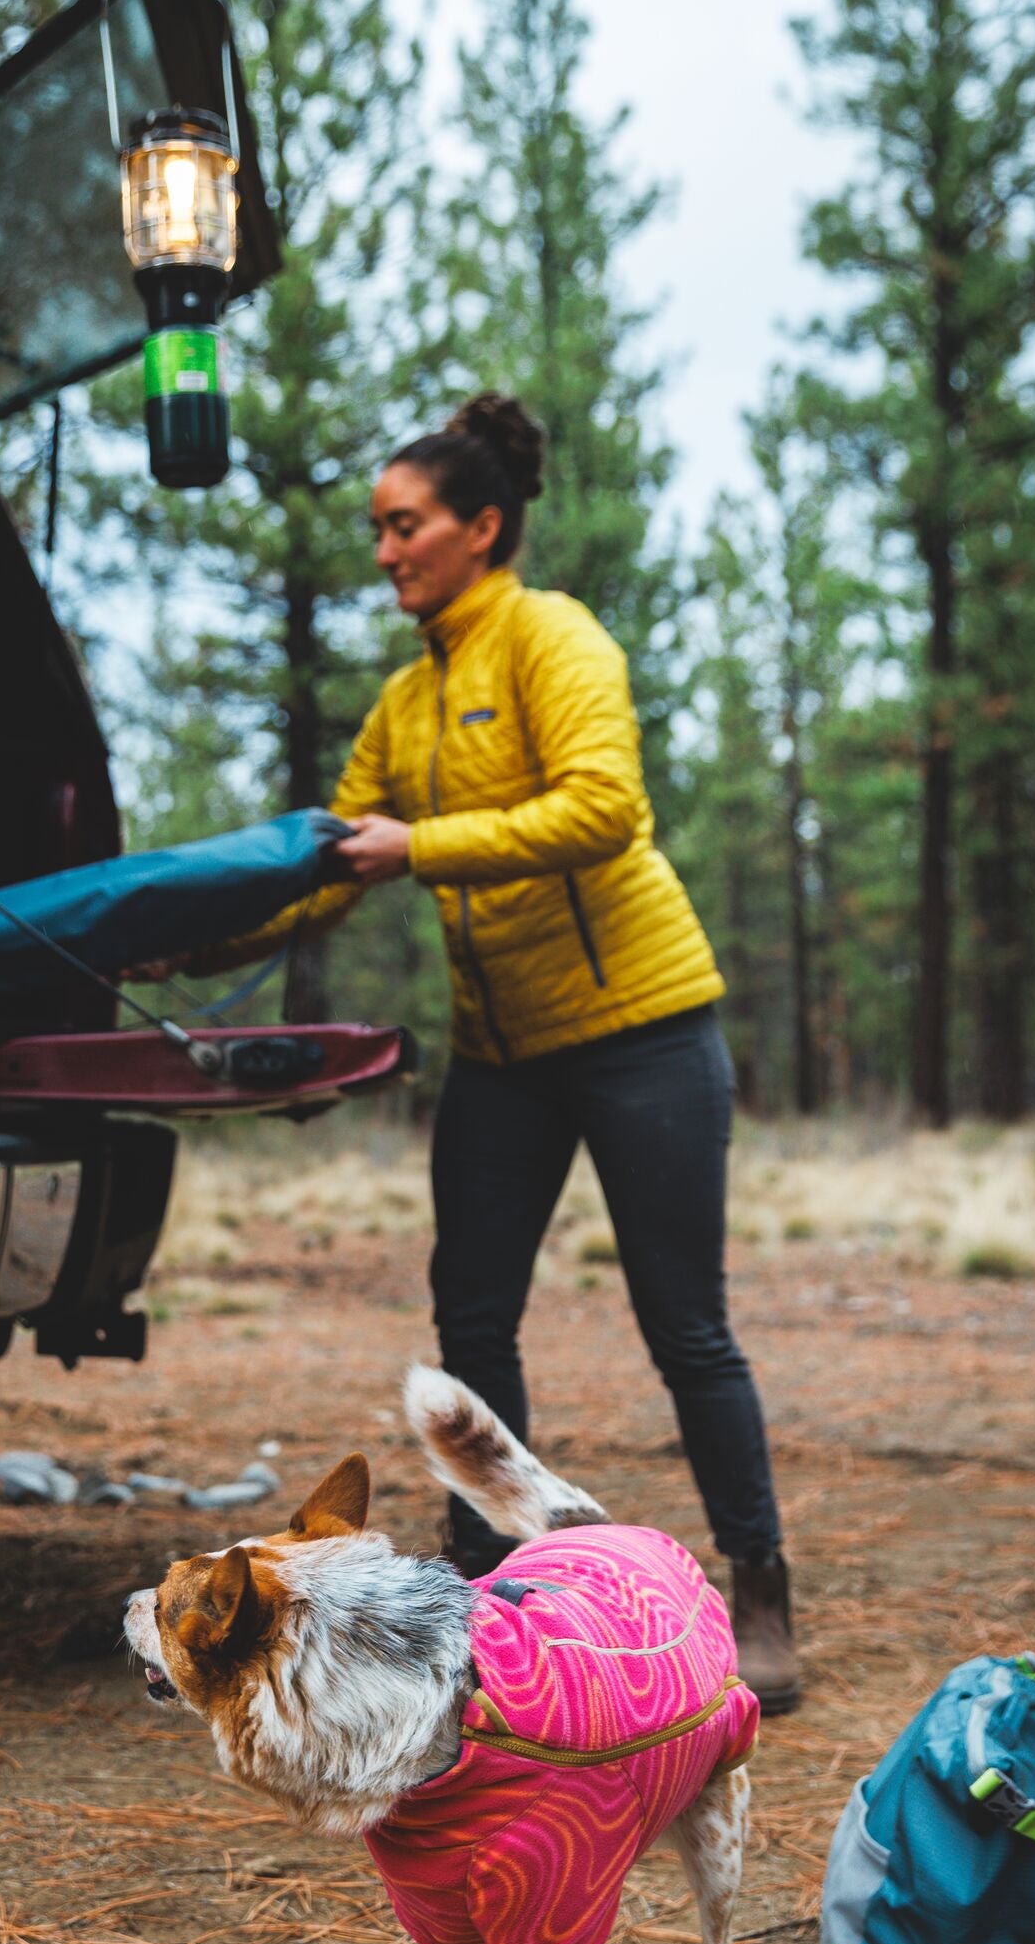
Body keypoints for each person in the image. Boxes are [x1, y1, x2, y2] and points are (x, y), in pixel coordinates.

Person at [186, 392, 799, 1712]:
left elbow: (603, 806)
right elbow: (337, 856)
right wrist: (195, 937)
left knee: (686, 1327)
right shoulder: (410, 700)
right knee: (471, 1325)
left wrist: (425, 846)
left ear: (483, 527)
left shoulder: (550, 636)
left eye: (405, 526)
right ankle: (490, 1588)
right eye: (377, 529)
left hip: (642, 1031)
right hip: (506, 1053)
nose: (386, 551)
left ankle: (759, 1586)